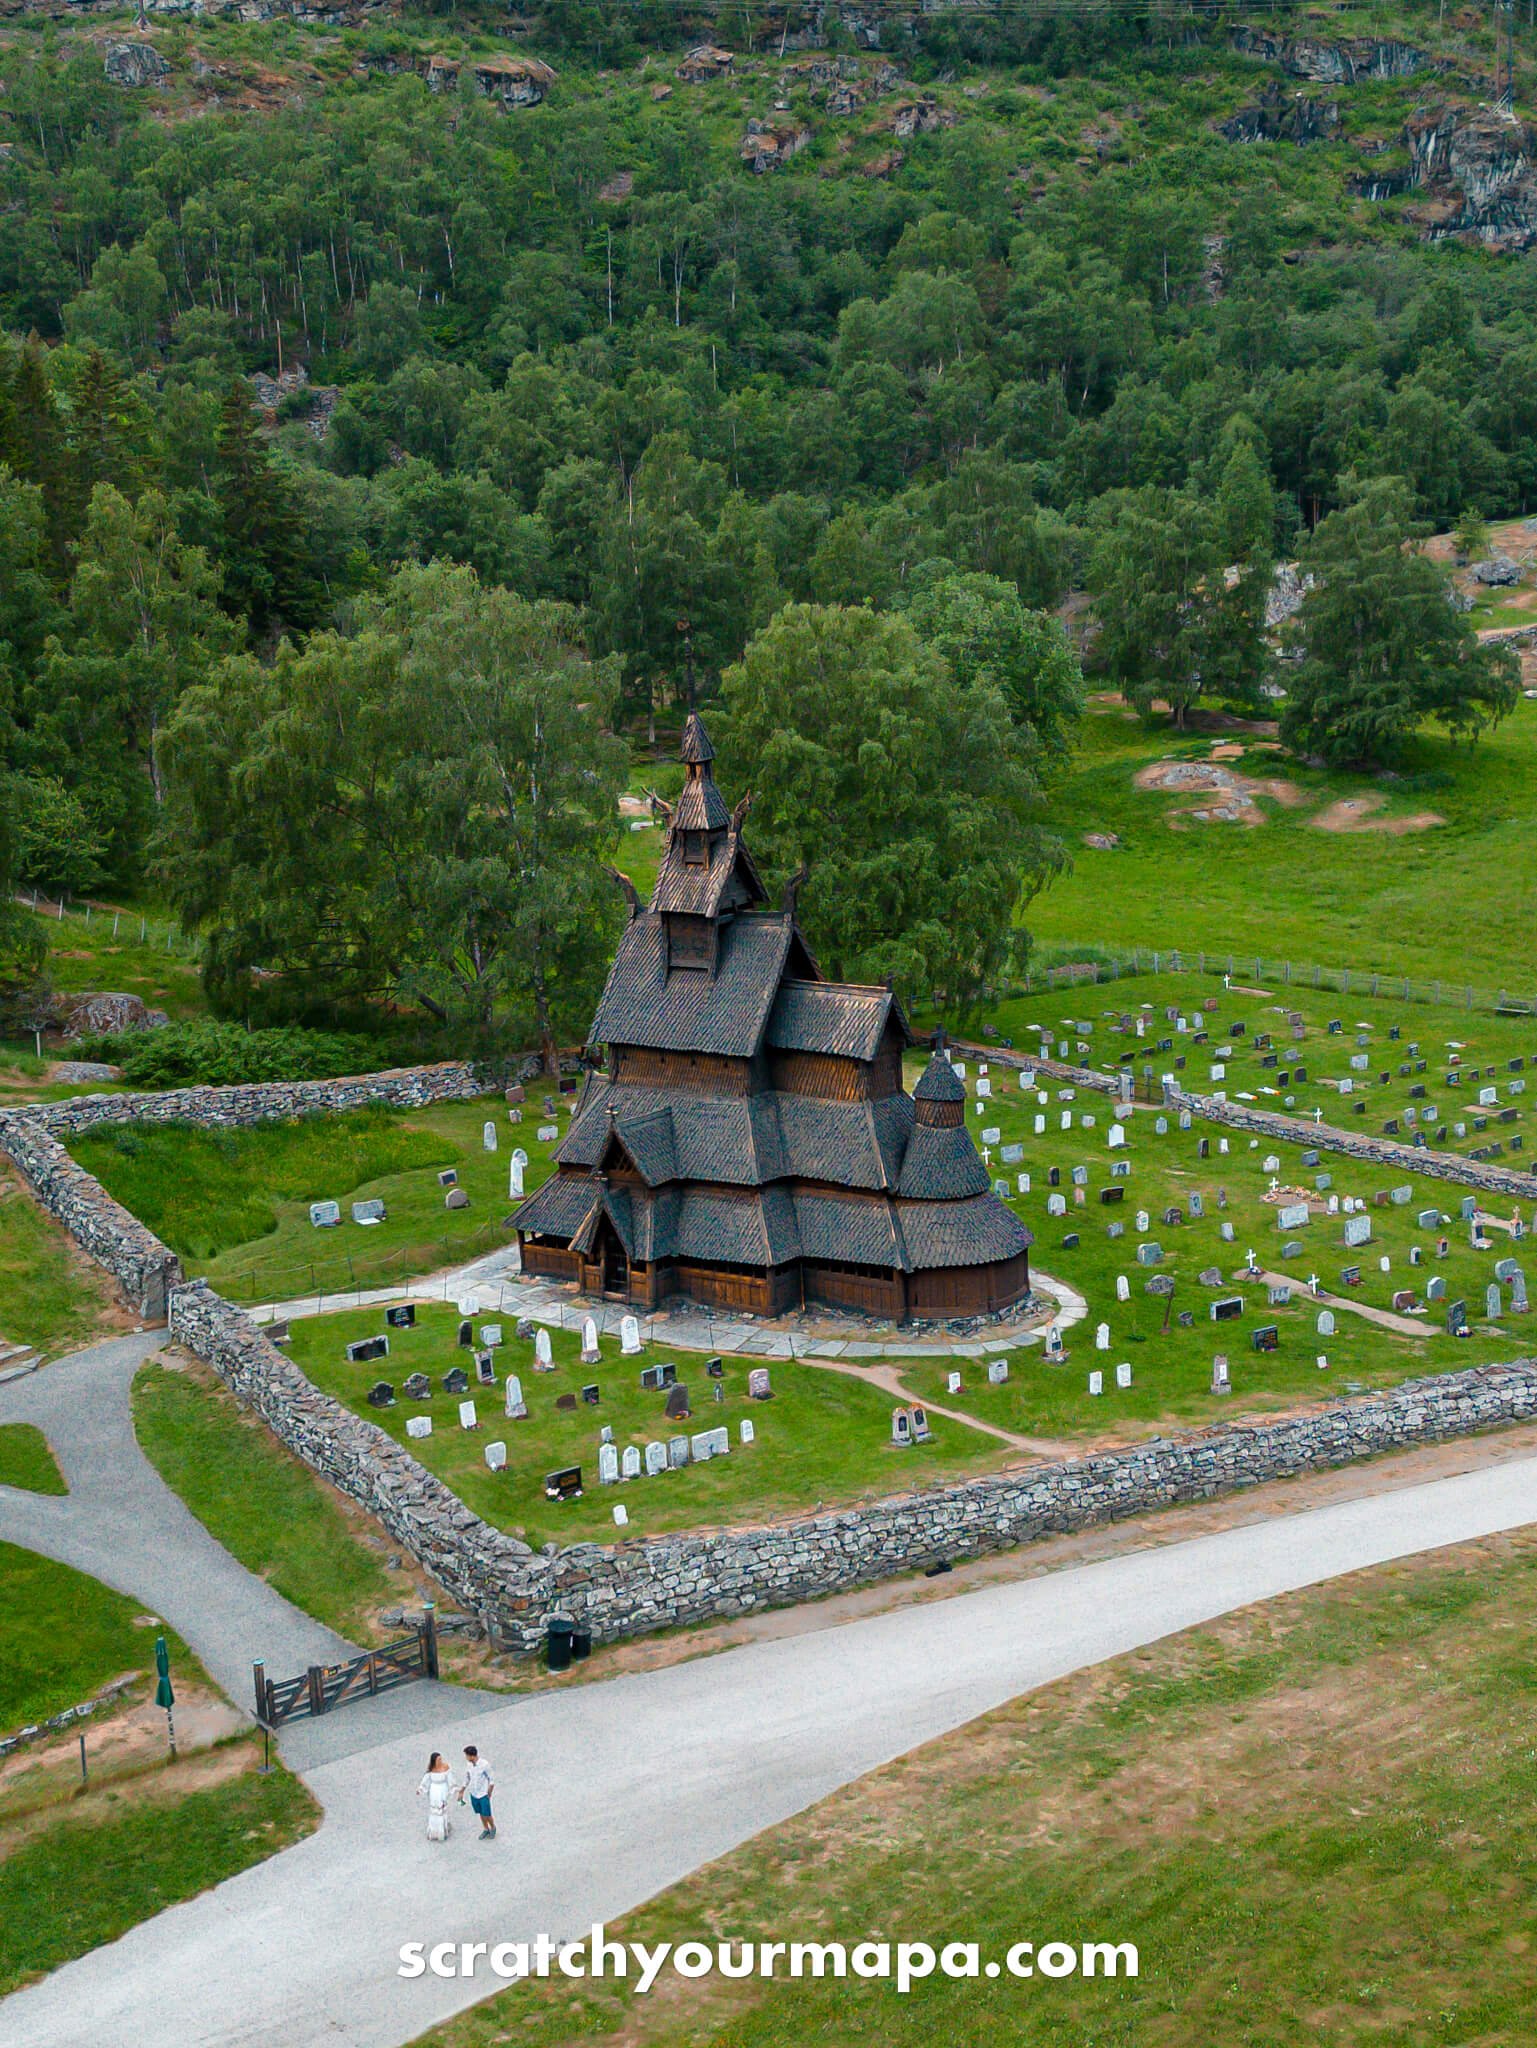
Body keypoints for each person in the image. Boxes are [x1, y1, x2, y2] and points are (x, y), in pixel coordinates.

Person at [459, 1744, 495, 1840]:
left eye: (466, 1756)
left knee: (487, 1813)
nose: (466, 1758)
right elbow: (467, 1777)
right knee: (480, 1813)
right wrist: (462, 1790)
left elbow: (491, 1779)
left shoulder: (484, 1764)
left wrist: (489, 1792)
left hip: (483, 1794)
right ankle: (486, 1829)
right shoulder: (469, 1765)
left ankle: (493, 1827)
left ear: (471, 1756)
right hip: (474, 1793)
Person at [418, 1752, 453, 1842]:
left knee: (441, 1809)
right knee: (434, 1810)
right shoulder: (431, 1769)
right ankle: (434, 1831)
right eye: (438, 1760)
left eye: (440, 1759)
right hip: (434, 1790)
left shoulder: (445, 1767)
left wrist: (452, 1788)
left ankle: (443, 1829)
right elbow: (426, 1780)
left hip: (442, 1789)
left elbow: (450, 1778)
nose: (440, 1761)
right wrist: (421, 1788)